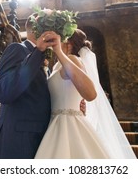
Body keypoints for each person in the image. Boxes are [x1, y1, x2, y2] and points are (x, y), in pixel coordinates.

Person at [36, 29, 135, 159]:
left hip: (68, 124)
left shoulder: (72, 59)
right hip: (55, 122)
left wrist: (59, 52)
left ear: (69, 43)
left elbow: (91, 93)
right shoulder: (58, 65)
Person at [0, 15, 60, 159]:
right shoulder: (17, 49)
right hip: (16, 143)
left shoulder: (45, 62)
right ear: (39, 30)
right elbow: (4, 92)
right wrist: (37, 52)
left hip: (41, 141)